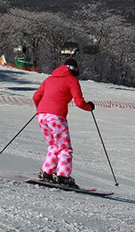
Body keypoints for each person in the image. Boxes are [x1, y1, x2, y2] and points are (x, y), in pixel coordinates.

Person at [32, 58, 95, 188]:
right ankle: (63, 176)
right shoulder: (71, 80)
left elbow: (36, 96)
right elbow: (79, 102)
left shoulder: (49, 79)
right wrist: (89, 107)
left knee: (54, 145)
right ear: (75, 70)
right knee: (65, 148)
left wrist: (42, 109)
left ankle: (47, 172)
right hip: (56, 117)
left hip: (41, 116)